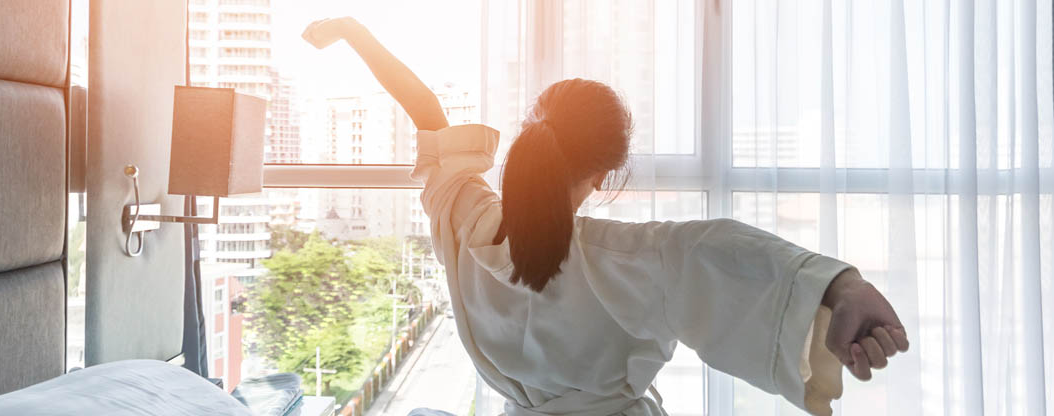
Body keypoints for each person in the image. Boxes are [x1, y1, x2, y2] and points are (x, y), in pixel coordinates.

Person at [302, 17, 909, 416]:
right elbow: (725, 251)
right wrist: (841, 285)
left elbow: (427, 114)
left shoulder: (469, 227)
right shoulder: (633, 259)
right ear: (603, 175)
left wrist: (355, 33)